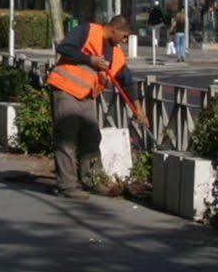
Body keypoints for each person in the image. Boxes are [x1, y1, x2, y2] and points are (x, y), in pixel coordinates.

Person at [45, 14, 147, 199]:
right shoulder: (87, 30)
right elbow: (64, 48)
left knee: (92, 138)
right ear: (114, 29)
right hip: (65, 90)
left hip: (86, 97)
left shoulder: (116, 55)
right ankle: (67, 186)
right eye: (124, 36)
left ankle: (92, 180)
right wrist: (89, 60)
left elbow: (128, 82)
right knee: (67, 139)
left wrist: (138, 109)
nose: (124, 41)